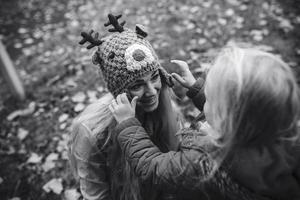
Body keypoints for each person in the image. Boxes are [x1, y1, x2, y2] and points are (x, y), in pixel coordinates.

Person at [109, 46, 300, 200]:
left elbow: (152, 168)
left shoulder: (201, 164)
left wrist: (128, 124)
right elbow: (229, 118)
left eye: (209, 97)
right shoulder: (286, 144)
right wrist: (196, 90)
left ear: (224, 118)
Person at [68, 14, 182, 200]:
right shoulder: (92, 130)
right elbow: (97, 194)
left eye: (154, 77)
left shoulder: (167, 110)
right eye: (137, 85)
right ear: (117, 91)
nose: (152, 92)